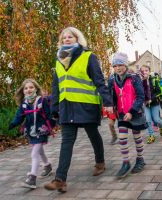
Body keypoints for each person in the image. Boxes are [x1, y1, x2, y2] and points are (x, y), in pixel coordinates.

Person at [44, 27, 113, 192]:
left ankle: (100, 162)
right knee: (66, 141)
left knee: (93, 134)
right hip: (67, 106)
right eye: (64, 37)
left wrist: (108, 102)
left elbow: (98, 80)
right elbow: (56, 86)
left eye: (70, 37)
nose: (66, 39)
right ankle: (60, 179)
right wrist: (54, 107)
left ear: (77, 39)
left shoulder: (88, 56)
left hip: (86, 104)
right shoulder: (59, 60)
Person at [8, 79, 55, 189]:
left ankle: (32, 179)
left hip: (41, 130)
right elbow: (19, 116)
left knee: (34, 154)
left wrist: (53, 123)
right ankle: (47, 166)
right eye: (26, 88)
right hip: (31, 131)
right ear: (23, 91)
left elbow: (49, 114)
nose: (28, 90)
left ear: (36, 89)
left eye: (31, 87)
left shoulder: (41, 101)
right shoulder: (24, 104)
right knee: (40, 151)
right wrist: (13, 124)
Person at [108, 52, 147, 178]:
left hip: (135, 113)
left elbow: (141, 96)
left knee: (137, 137)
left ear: (125, 65)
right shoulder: (112, 79)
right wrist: (109, 105)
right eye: (115, 65)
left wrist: (132, 111)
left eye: (120, 65)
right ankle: (125, 163)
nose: (118, 68)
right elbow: (110, 96)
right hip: (121, 114)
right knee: (122, 138)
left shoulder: (134, 78)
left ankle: (140, 159)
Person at [140, 65, 162, 144]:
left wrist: (152, 99)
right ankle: (151, 135)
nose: (144, 72)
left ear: (149, 71)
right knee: (148, 120)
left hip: (154, 103)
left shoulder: (154, 80)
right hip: (146, 105)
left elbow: (159, 92)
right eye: (143, 71)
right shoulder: (140, 81)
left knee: (156, 119)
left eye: (146, 70)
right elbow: (139, 93)